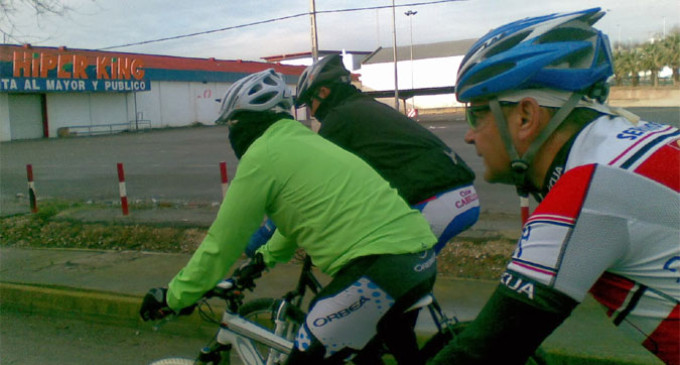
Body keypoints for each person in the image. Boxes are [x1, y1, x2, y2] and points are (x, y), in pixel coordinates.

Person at [138, 68, 439, 364]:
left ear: (245, 122)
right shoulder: (306, 140)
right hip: (418, 258)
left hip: (380, 267)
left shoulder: (262, 155)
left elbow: (222, 242)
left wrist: (175, 297)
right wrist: (262, 260)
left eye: (232, 123)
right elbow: (296, 221)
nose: (232, 132)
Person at [431, 7, 679, 365]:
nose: (469, 136)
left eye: (475, 113)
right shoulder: (646, 140)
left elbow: (482, 353)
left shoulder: (589, 189)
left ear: (526, 116)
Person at [246, 53, 478, 258]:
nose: (312, 112)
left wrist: (261, 240)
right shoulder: (365, 107)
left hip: (434, 204)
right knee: (402, 283)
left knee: (375, 275)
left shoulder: (339, 120)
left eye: (310, 103)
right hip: (462, 196)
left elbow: (304, 188)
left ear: (324, 92)